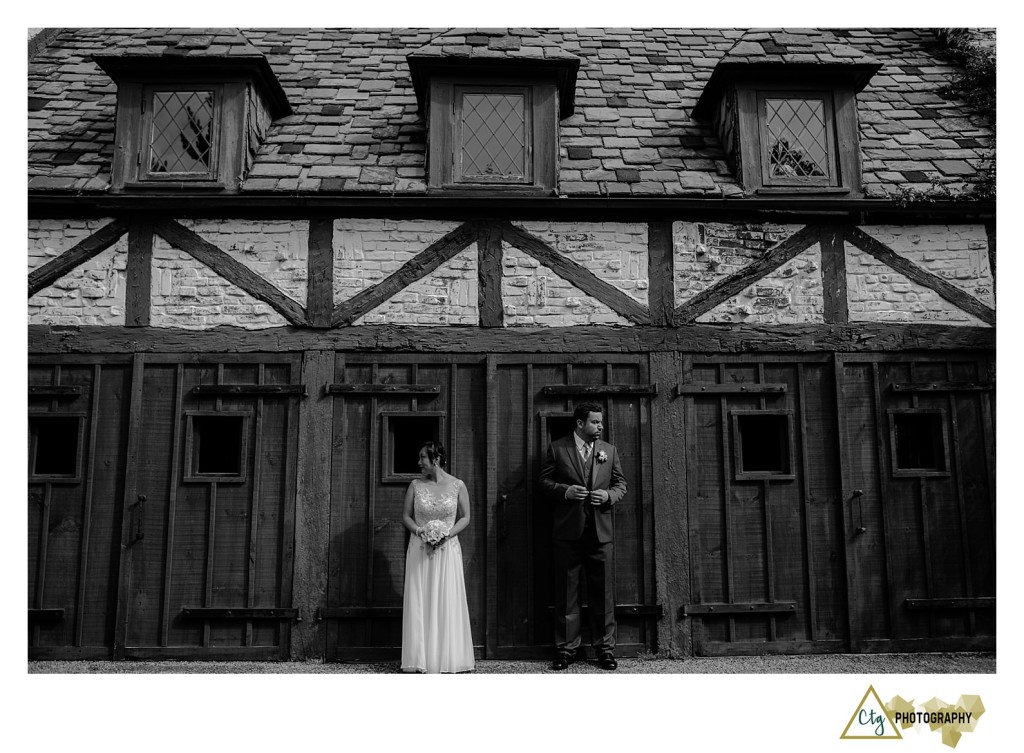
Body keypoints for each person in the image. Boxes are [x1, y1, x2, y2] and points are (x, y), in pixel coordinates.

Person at [540, 402, 627, 671]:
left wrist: (609, 496)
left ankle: (605, 650)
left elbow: (620, 484)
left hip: (600, 534)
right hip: (568, 533)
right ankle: (567, 650)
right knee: (567, 593)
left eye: (601, 422)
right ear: (580, 424)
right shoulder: (558, 448)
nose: (600, 427)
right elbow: (543, 482)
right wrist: (565, 491)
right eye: (595, 422)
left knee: (603, 594)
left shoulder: (608, 451)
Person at [400, 441, 474, 673]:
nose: (419, 462)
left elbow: (466, 517)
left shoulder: (457, 485)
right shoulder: (415, 485)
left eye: (422, 458)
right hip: (420, 547)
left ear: (436, 458)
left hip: (447, 549)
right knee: (420, 597)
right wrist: (421, 531)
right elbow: (406, 517)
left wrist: (447, 534)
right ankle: (420, 658)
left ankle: (447, 657)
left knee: (446, 597)